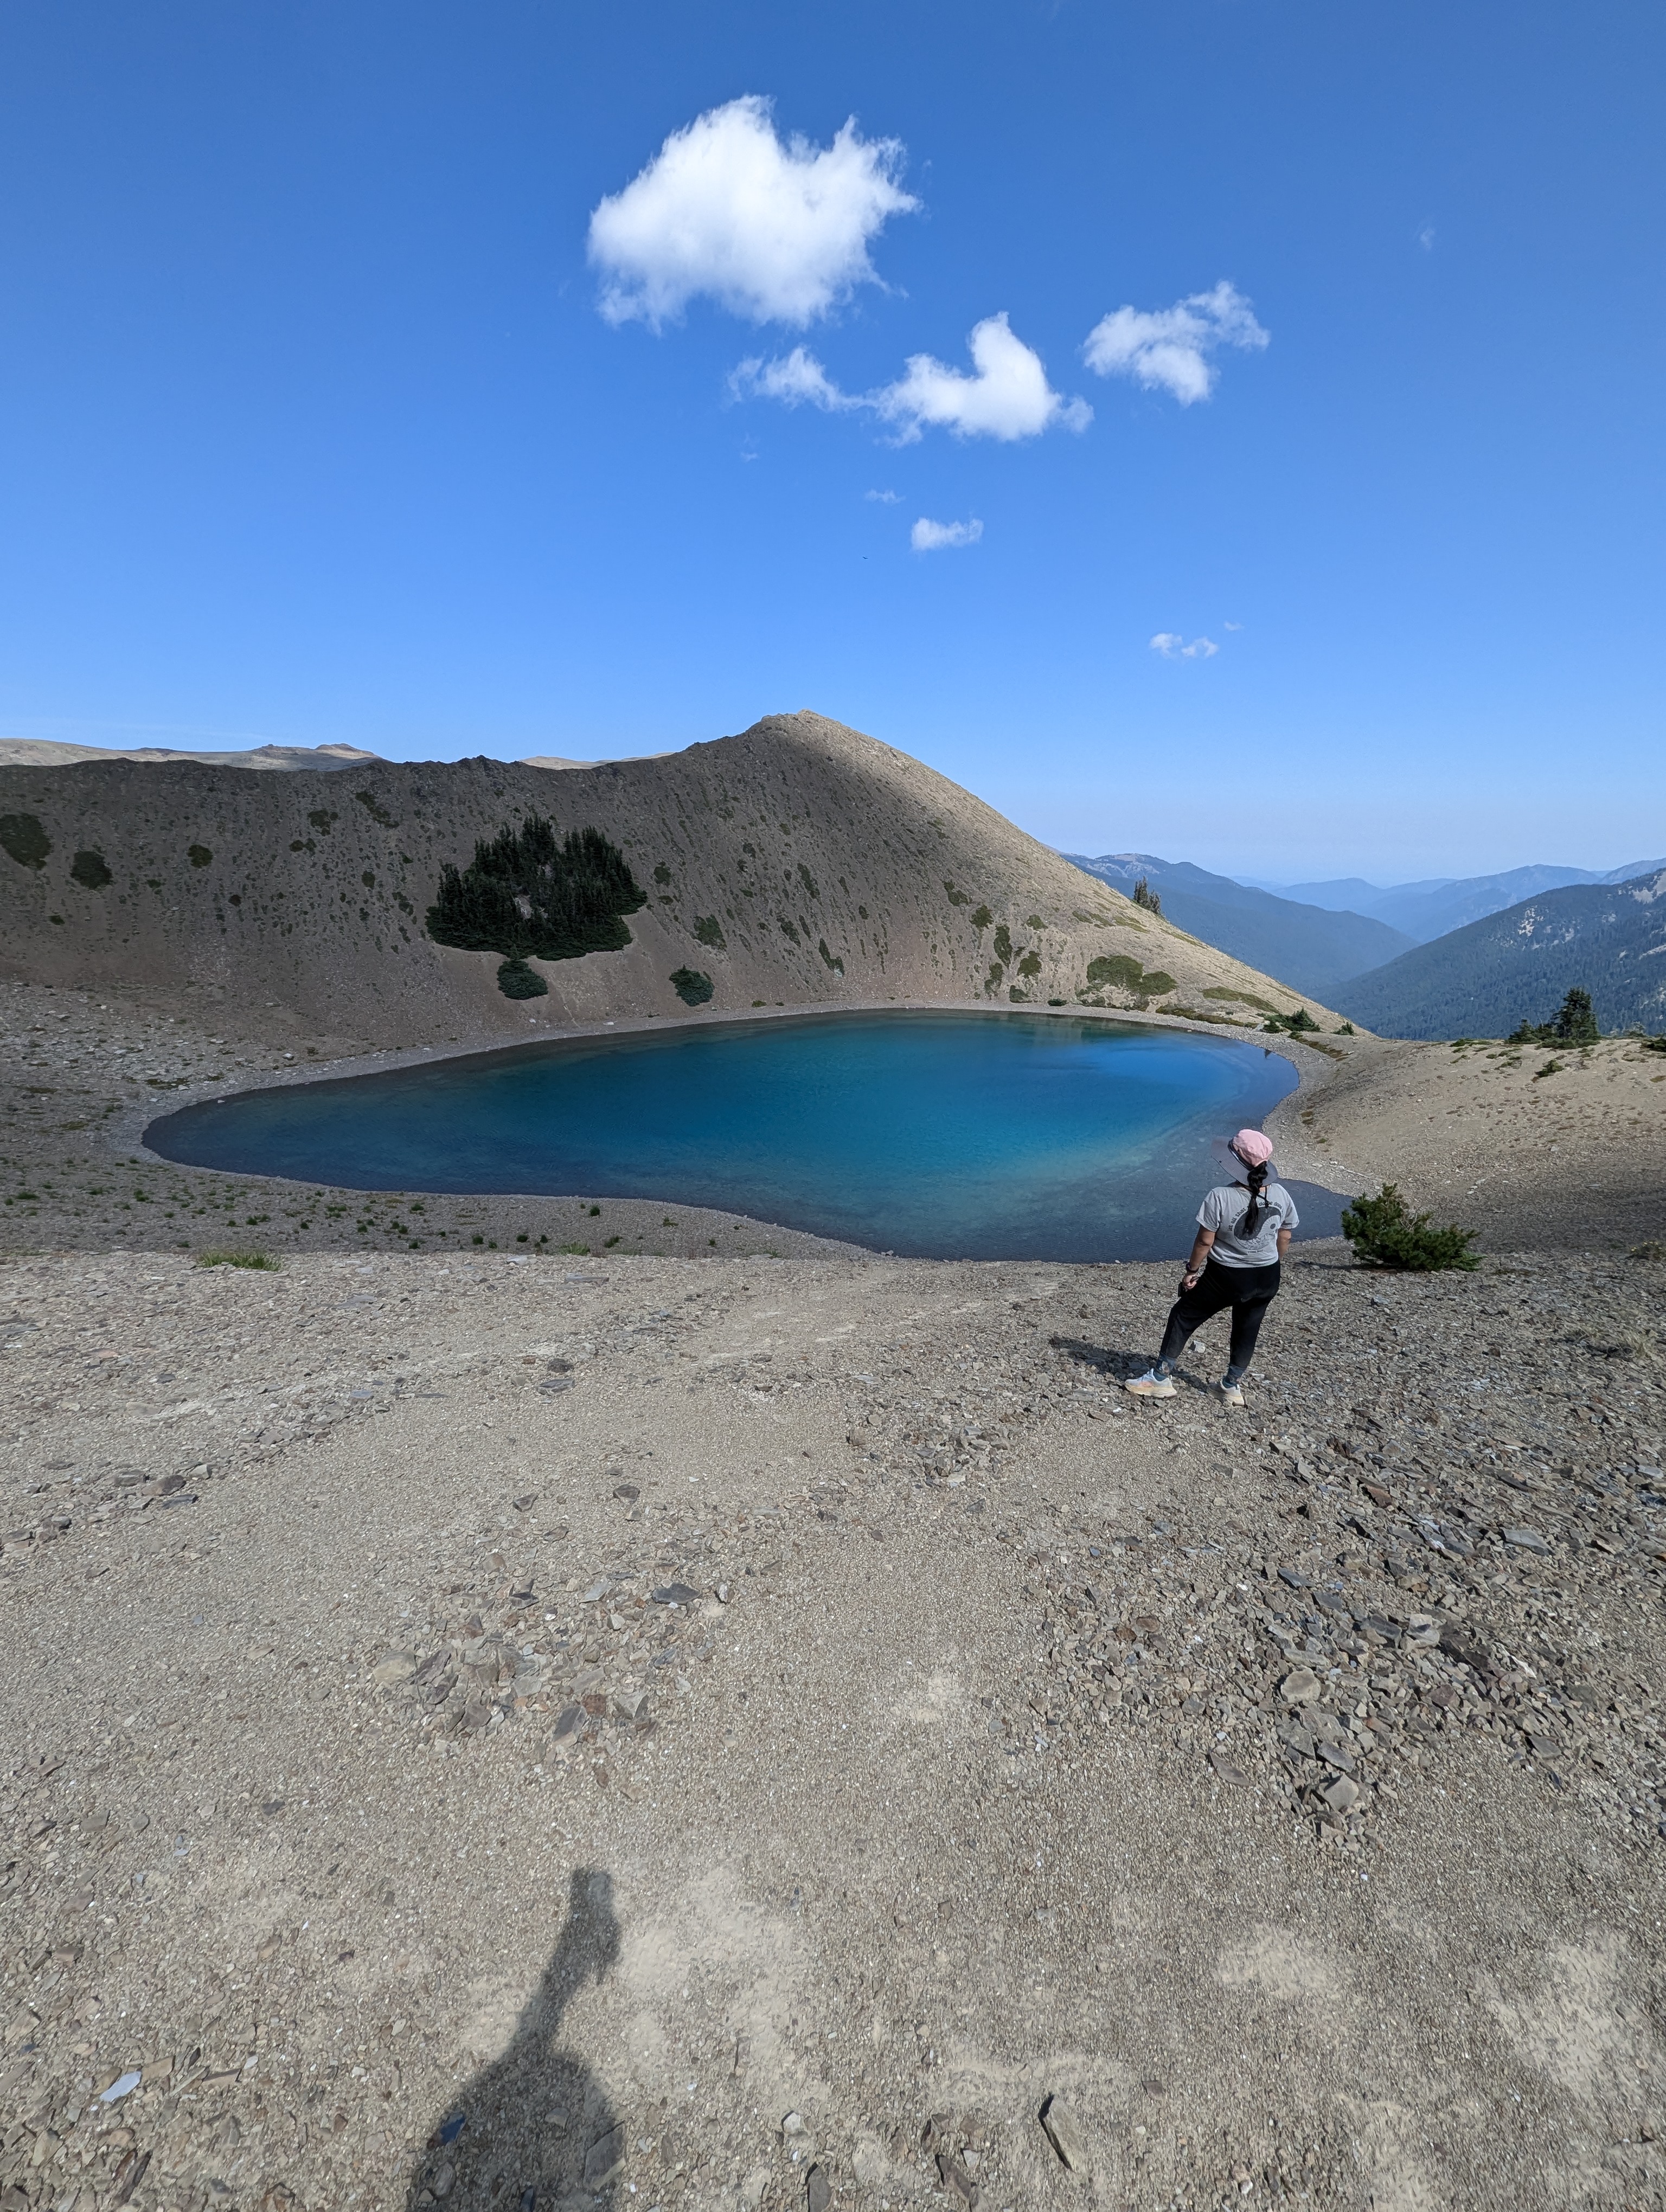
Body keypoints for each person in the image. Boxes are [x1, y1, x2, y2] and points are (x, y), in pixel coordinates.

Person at [1124, 1128, 1298, 1406]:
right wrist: (1269, 1262)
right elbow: (1285, 1236)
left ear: (1235, 1162)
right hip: (1268, 1276)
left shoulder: (1220, 1197)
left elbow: (1205, 1242)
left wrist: (1191, 1272)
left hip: (1227, 1277)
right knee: (1247, 1327)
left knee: (1183, 1315)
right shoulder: (1281, 1194)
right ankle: (1230, 1385)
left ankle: (1160, 1378)